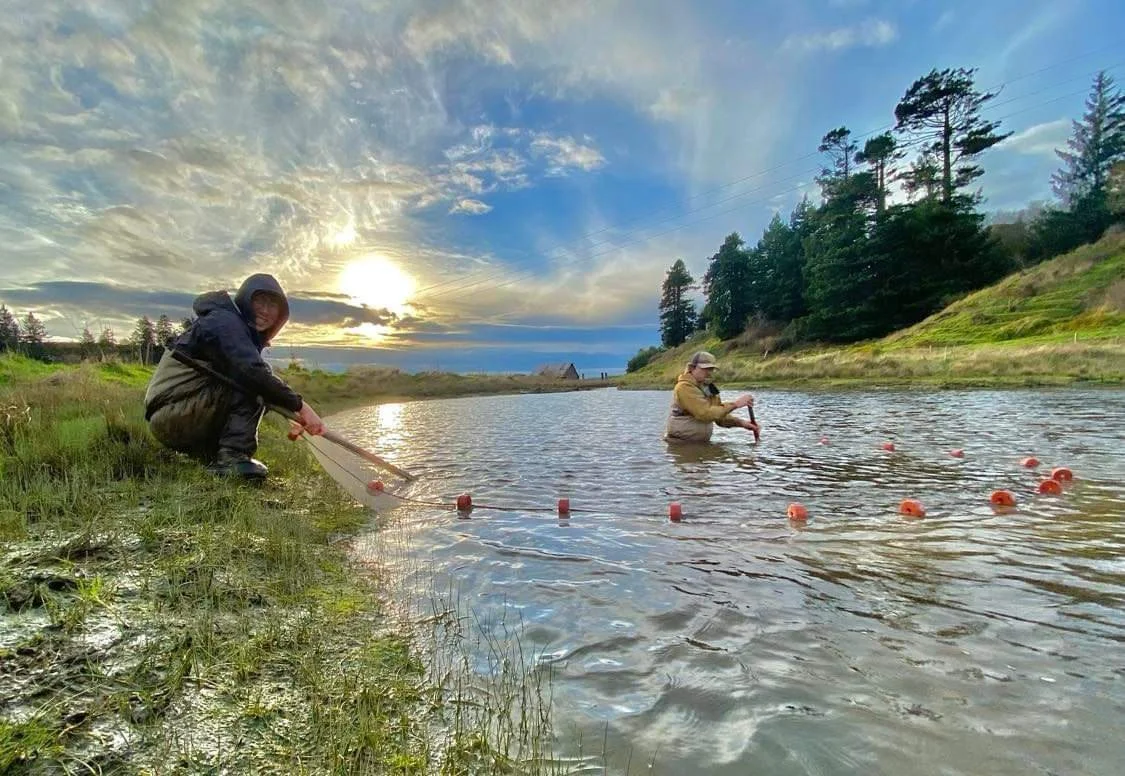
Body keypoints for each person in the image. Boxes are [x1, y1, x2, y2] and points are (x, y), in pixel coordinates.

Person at [143, 273, 325, 479]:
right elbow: (252, 373)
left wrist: (291, 415)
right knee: (255, 385)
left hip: (180, 412)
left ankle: (217, 453)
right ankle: (232, 457)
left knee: (263, 384)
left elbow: (256, 374)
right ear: (245, 299)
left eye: (273, 306)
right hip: (170, 413)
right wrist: (301, 407)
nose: (265, 311)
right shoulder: (224, 321)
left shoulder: (235, 329)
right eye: (260, 302)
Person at [664, 351, 759, 443]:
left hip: (700, 445)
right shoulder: (684, 387)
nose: (709, 372)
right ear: (692, 368)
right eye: (705, 369)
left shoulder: (709, 388)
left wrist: (742, 423)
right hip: (680, 444)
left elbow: (719, 417)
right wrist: (735, 404)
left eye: (711, 369)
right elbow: (705, 413)